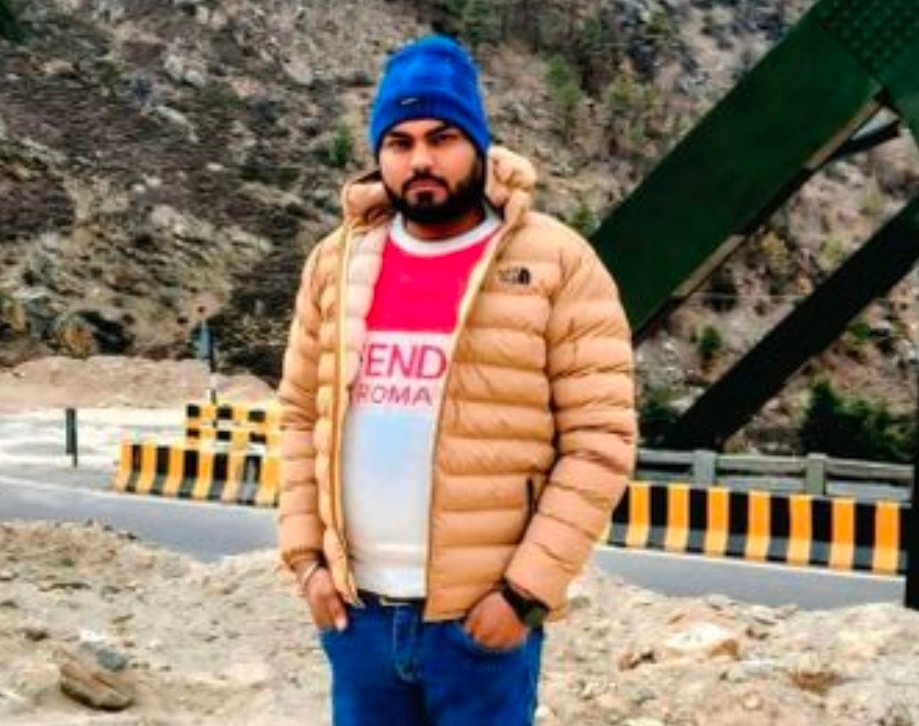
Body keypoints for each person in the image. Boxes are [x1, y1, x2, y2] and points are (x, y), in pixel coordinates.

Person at [277, 34, 636, 726]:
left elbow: (599, 442)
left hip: (478, 625)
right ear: (379, 154)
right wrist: (307, 565)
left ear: (477, 143)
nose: (420, 160)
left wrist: (522, 597)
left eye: (441, 138)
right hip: (357, 620)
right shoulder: (336, 263)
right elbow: (297, 416)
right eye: (400, 142)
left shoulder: (557, 262)